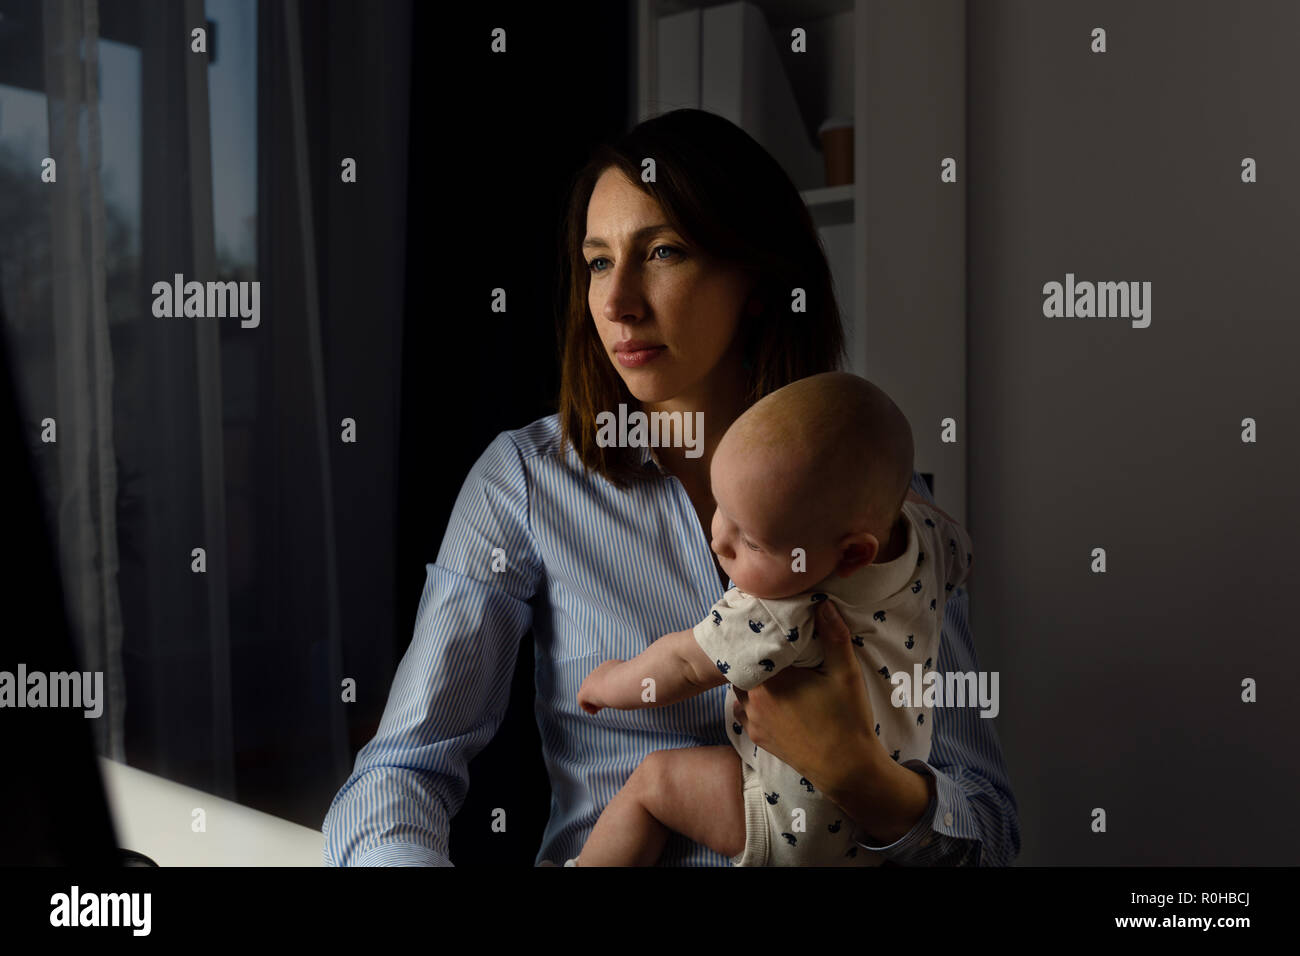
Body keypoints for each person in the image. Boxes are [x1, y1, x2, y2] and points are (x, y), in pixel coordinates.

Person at [321, 108, 1019, 866]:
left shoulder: (877, 500)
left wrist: (861, 777)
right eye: (596, 262)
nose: (617, 301)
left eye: (661, 252)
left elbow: (990, 829)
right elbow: (400, 775)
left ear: (755, 281)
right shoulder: (521, 481)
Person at [569, 372, 973, 866]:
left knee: (653, 783)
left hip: (794, 825)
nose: (719, 540)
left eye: (752, 542)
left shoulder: (783, 609)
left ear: (850, 557)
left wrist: (607, 684)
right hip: (888, 817)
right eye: (723, 508)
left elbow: (681, 665)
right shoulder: (929, 538)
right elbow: (961, 548)